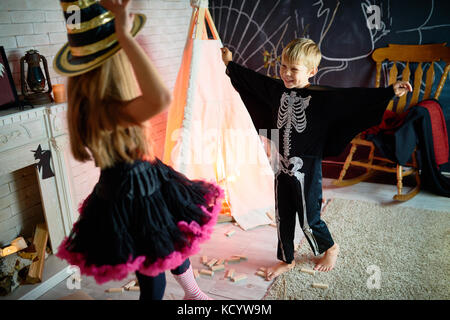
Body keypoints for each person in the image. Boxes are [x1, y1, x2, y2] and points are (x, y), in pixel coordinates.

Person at [54, 0, 223, 300]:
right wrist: (125, 37)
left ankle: (193, 294)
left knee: (172, 238)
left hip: (147, 181)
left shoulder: (99, 104)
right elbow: (160, 98)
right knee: (152, 274)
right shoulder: (104, 111)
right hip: (133, 197)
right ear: (114, 65)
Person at [221, 38, 412, 280]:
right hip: (281, 165)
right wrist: (230, 64)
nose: (287, 73)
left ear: (311, 71)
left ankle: (330, 247)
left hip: (307, 166)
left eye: (295, 69)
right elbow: (253, 81)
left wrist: (388, 92)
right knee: (283, 215)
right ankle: (286, 259)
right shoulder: (276, 90)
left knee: (309, 220)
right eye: (283, 66)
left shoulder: (322, 98)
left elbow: (354, 99)